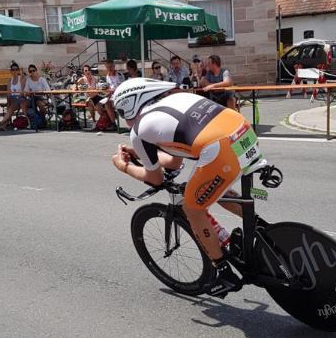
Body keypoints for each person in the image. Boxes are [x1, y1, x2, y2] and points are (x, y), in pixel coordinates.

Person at [111, 78, 264, 297]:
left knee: (194, 208)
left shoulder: (138, 131)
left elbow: (154, 179)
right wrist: (145, 156)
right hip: (242, 130)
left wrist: (124, 167)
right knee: (211, 187)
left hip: (219, 149)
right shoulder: (177, 99)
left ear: (129, 106)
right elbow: (174, 161)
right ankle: (258, 227)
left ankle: (224, 272)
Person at [93, 60, 123, 130]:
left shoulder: (119, 75)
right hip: (110, 95)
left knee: (107, 104)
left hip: (118, 96)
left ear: (114, 66)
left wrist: (112, 91)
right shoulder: (107, 76)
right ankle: (108, 119)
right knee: (97, 105)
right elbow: (108, 87)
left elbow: (121, 87)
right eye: (107, 67)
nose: (109, 69)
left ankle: (113, 124)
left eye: (110, 67)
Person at [0, 61, 27, 130]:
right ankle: (4, 124)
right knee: (10, 106)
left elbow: (22, 92)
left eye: (16, 69)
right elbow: (8, 93)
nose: (14, 71)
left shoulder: (22, 78)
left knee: (11, 107)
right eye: (13, 69)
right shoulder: (9, 80)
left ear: (18, 70)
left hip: (20, 99)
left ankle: (2, 122)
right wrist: (8, 101)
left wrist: (16, 97)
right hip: (12, 99)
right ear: (11, 71)